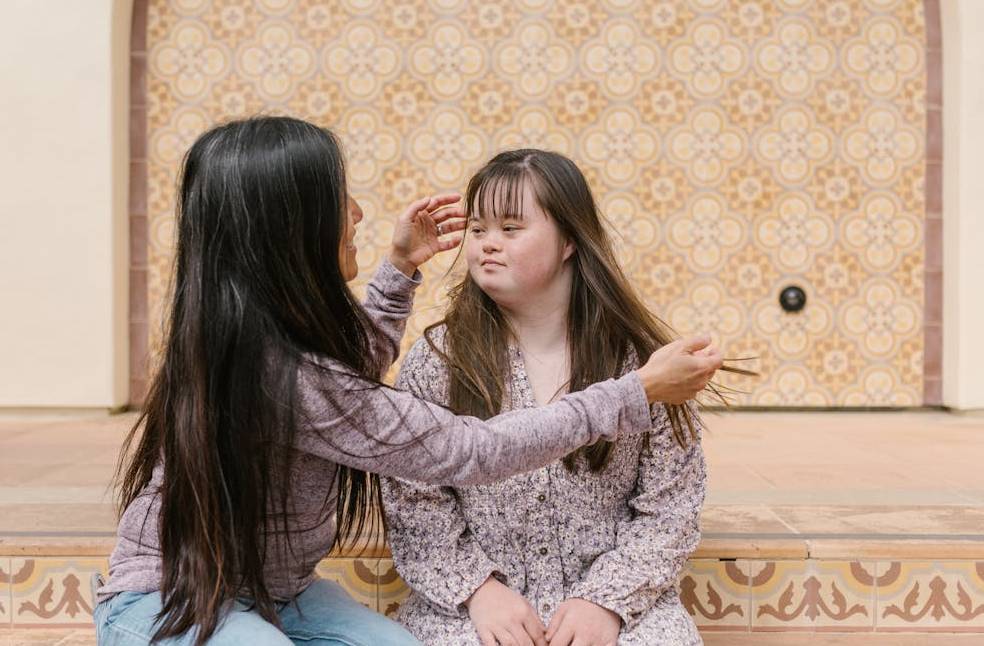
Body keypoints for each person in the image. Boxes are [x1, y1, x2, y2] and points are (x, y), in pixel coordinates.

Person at [93, 119, 722, 646]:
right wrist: (633, 394)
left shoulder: (278, 351)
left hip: (280, 591)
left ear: (571, 243)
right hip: (183, 596)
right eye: (341, 198)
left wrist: (397, 270)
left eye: (512, 227)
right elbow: (461, 455)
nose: (361, 212)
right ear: (292, 232)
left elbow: (343, 381)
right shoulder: (405, 362)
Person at [382, 149, 731, 646]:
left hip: (617, 610)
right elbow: (413, 500)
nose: (487, 245)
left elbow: (669, 511)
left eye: (510, 227)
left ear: (569, 238)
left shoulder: (644, 365)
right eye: (478, 230)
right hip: (470, 612)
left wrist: (605, 601)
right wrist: (478, 592)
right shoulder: (437, 360)